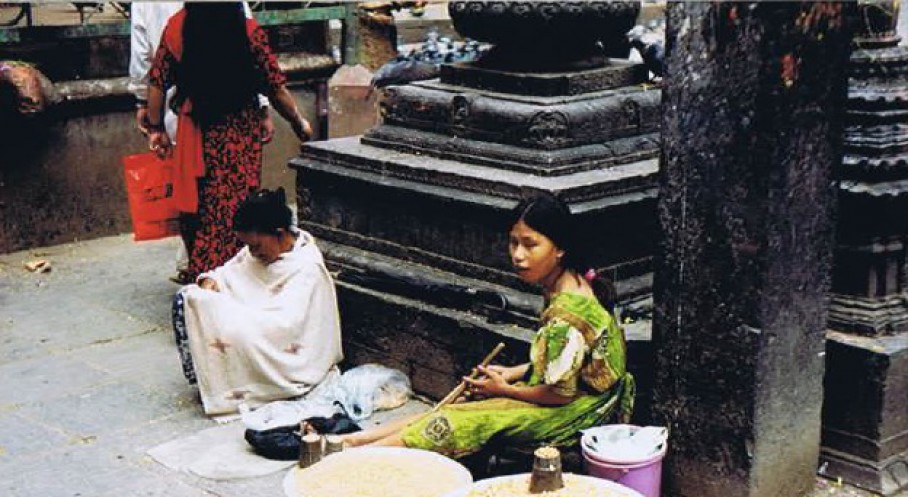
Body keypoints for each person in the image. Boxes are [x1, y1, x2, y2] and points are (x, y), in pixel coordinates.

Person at [341, 191, 635, 457]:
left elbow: (560, 394)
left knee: (456, 419)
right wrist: (511, 372)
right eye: (514, 242)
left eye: (530, 245)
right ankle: (357, 441)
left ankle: (359, 459)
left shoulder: (567, 314)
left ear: (559, 249)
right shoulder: (570, 282)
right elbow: (567, 364)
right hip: (574, 394)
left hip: (577, 411)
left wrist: (504, 389)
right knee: (458, 403)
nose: (518, 255)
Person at [146, 2, 311, 281]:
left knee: (199, 207)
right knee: (234, 207)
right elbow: (275, 87)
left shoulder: (178, 26)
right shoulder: (247, 30)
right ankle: (235, 279)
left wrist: (156, 128)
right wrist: (298, 122)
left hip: (196, 130)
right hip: (238, 134)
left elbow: (157, 82)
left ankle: (204, 277)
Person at [172, 188, 343, 416]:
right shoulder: (253, 253)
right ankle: (207, 380)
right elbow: (228, 272)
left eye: (256, 246)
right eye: (248, 246)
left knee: (233, 327)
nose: (252, 252)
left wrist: (233, 314)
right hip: (252, 314)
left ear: (280, 234)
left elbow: (288, 323)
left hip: (282, 338)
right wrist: (211, 282)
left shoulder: (306, 267)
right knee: (187, 298)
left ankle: (245, 384)